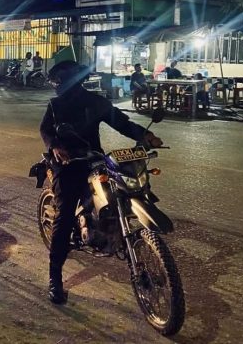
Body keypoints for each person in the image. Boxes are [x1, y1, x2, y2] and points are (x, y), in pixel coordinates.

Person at [39, 60, 163, 305]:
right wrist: (55, 147)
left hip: (93, 159)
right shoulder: (55, 106)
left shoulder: (95, 102)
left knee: (120, 194)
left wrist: (145, 135)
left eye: (60, 81)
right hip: (67, 163)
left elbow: (121, 122)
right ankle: (55, 278)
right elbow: (46, 130)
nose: (58, 86)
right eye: (57, 82)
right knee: (64, 217)